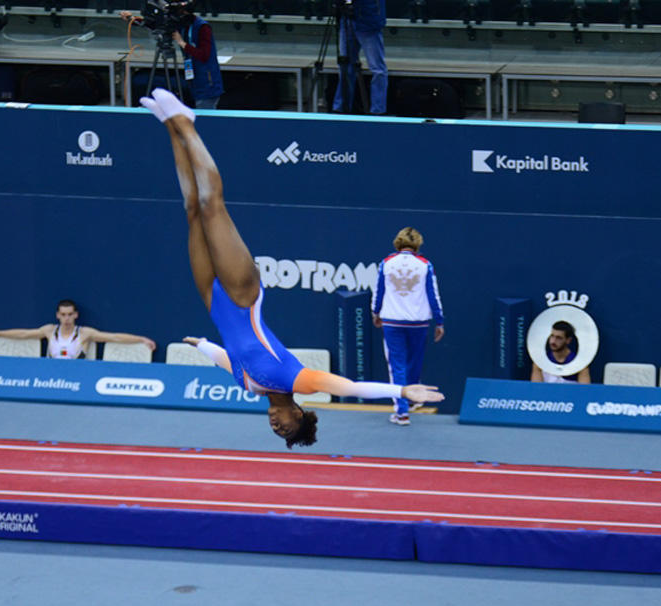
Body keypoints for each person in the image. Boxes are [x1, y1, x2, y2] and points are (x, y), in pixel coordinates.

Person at [140, 87, 442, 448]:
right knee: (211, 207)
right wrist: (402, 388)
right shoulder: (295, 379)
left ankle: (170, 127)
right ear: (299, 413)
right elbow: (349, 387)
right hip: (242, 295)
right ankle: (188, 124)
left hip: (212, 300)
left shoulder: (249, 386)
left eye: (275, 430)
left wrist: (202, 344)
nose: (275, 424)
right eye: (284, 427)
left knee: (191, 211)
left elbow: (227, 357)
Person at [371, 227, 444, 425]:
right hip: (418, 322)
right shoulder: (425, 265)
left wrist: (375, 312)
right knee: (414, 363)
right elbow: (433, 294)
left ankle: (402, 411)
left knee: (397, 366)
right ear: (418, 244)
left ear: (397, 242)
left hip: (393, 321)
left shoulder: (386, 263)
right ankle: (409, 400)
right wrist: (439, 320)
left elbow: (378, 291)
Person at [119, 0, 224, 110]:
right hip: (194, 80)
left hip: (207, 82)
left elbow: (204, 55)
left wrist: (182, 43)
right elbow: (156, 25)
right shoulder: (182, 24)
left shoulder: (202, 27)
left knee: (204, 117)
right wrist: (132, 19)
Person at [0, 299, 156, 359]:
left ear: (76, 315)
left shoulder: (85, 333)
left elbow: (114, 337)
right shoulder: (48, 330)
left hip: (76, 377)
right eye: (63, 315)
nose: (66, 319)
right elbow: (24, 334)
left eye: (69, 315)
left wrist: (141, 339)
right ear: (57, 316)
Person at [333, 0, 387, 115]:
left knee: (377, 69)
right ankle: (342, 107)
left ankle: (378, 111)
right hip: (347, 19)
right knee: (345, 67)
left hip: (369, 18)